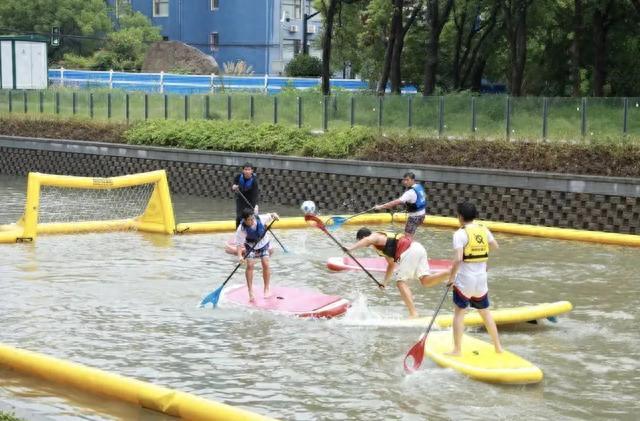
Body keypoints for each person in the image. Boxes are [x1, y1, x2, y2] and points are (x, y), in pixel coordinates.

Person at [346, 228, 451, 318]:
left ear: (363, 237)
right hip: (418, 248)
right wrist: (385, 283)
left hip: (409, 250)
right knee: (425, 281)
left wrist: (351, 248)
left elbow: (367, 240)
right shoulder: (378, 246)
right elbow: (391, 265)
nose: (364, 245)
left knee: (400, 282)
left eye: (361, 241)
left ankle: (413, 314)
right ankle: (448, 273)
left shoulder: (375, 237)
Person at [446, 201, 503, 356]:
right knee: (485, 312)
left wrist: (451, 278)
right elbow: (495, 246)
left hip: (465, 280)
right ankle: (498, 347)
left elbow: (458, 259)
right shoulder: (483, 229)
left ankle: (457, 350)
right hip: (481, 279)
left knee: (459, 313)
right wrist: (481, 258)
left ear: (460, 217)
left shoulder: (459, 234)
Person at [235, 208, 279, 303]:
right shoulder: (241, 229)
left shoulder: (260, 218)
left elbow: (272, 214)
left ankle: (266, 288)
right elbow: (238, 244)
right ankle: (250, 291)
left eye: (252, 218)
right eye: (249, 220)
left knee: (265, 263)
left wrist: (275, 215)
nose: (251, 221)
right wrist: (239, 256)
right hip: (250, 245)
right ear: (244, 220)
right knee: (250, 265)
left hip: (263, 243)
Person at [373, 172, 426, 237]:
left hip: (414, 218)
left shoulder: (410, 193)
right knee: (410, 235)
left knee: (407, 238)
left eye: (407, 180)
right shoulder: (418, 186)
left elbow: (395, 202)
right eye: (404, 180)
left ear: (413, 180)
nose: (405, 182)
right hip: (422, 215)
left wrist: (380, 207)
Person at [232, 162, 259, 228]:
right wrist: (234, 187)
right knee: (239, 217)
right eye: (245, 169)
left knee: (248, 218)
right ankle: (238, 233)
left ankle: (249, 233)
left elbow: (255, 195)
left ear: (252, 171)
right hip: (240, 199)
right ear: (243, 170)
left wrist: (255, 205)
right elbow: (233, 186)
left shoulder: (254, 181)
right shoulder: (238, 177)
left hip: (250, 201)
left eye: (249, 170)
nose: (247, 171)